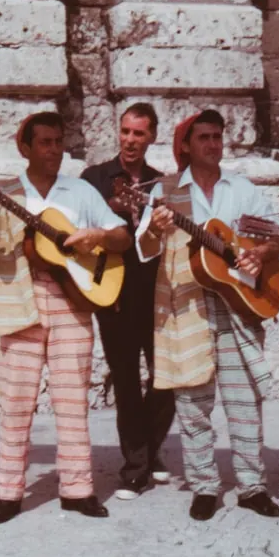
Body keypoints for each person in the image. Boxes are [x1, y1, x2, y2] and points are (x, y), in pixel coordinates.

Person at [0, 112, 132, 525]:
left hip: (72, 300)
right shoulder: (6, 192)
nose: (54, 150)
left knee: (71, 399)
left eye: (58, 141)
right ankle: (9, 492)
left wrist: (97, 236)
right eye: (44, 143)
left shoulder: (79, 191)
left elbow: (123, 236)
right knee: (16, 401)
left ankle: (78, 490)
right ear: (24, 148)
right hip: (20, 301)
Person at [136, 109, 279, 521]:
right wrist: (154, 228)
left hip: (238, 303)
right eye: (204, 137)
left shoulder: (242, 189)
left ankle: (252, 486)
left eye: (218, 136)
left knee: (243, 403)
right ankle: (204, 487)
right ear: (186, 144)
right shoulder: (165, 193)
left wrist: (258, 254)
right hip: (187, 309)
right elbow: (144, 247)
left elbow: (276, 234)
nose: (213, 144)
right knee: (193, 403)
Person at [80, 103, 175, 500]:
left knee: (166, 377)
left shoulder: (163, 184)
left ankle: (149, 449)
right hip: (113, 289)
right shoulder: (95, 179)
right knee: (125, 381)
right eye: (125, 132)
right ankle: (136, 466)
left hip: (156, 291)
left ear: (152, 137)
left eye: (139, 133)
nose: (130, 140)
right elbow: (78, 229)